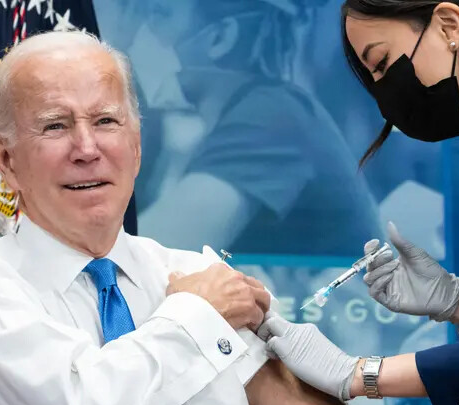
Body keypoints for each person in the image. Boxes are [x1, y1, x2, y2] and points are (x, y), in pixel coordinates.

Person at [0, 31, 374, 405]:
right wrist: (197, 312)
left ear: (137, 149)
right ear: (6, 161)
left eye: (105, 121)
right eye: (55, 125)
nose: (87, 149)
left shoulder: (198, 273)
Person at [257, 0, 459, 405]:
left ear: (448, 25)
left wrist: (358, 374)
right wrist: (458, 303)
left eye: (382, 63)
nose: (386, 99)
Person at [132, 0, 382, 257]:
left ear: (220, 38)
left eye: (159, 13)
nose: (137, 32)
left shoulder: (274, 121)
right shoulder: (239, 117)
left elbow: (158, 253)